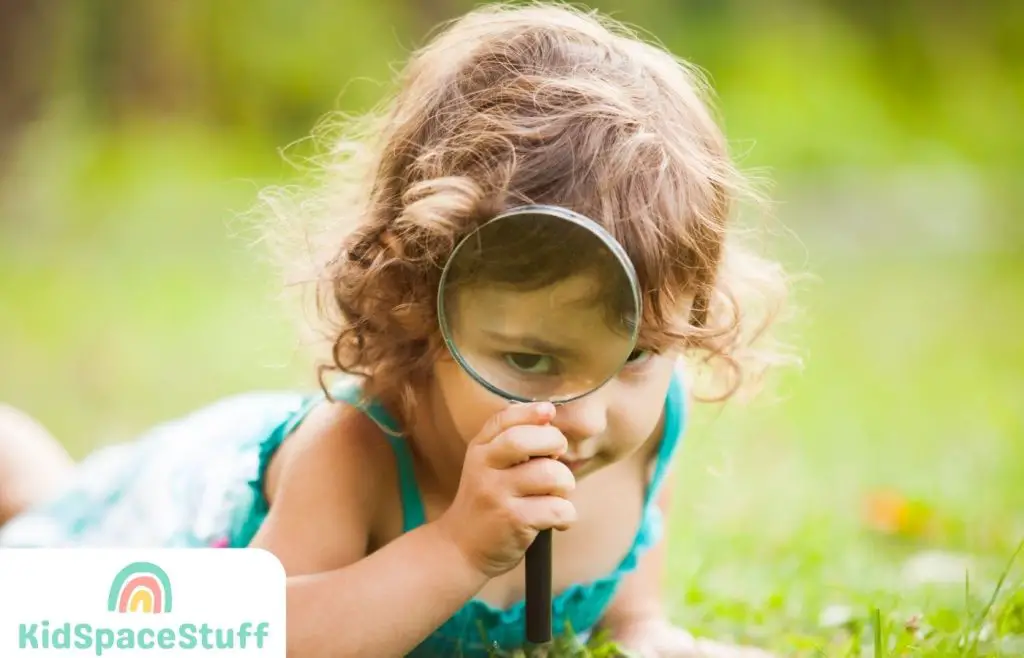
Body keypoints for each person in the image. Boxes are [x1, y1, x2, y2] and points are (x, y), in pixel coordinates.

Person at [0, 3, 792, 656]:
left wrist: (640, 629)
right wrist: (454, 551)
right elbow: (252, 635)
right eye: (528, 357)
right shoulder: (353, 453)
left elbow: (629, 593)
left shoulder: (653, 423)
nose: (586, 418)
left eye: (637, 355)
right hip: (184, 515)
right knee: (51, 539)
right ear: (416, 310)